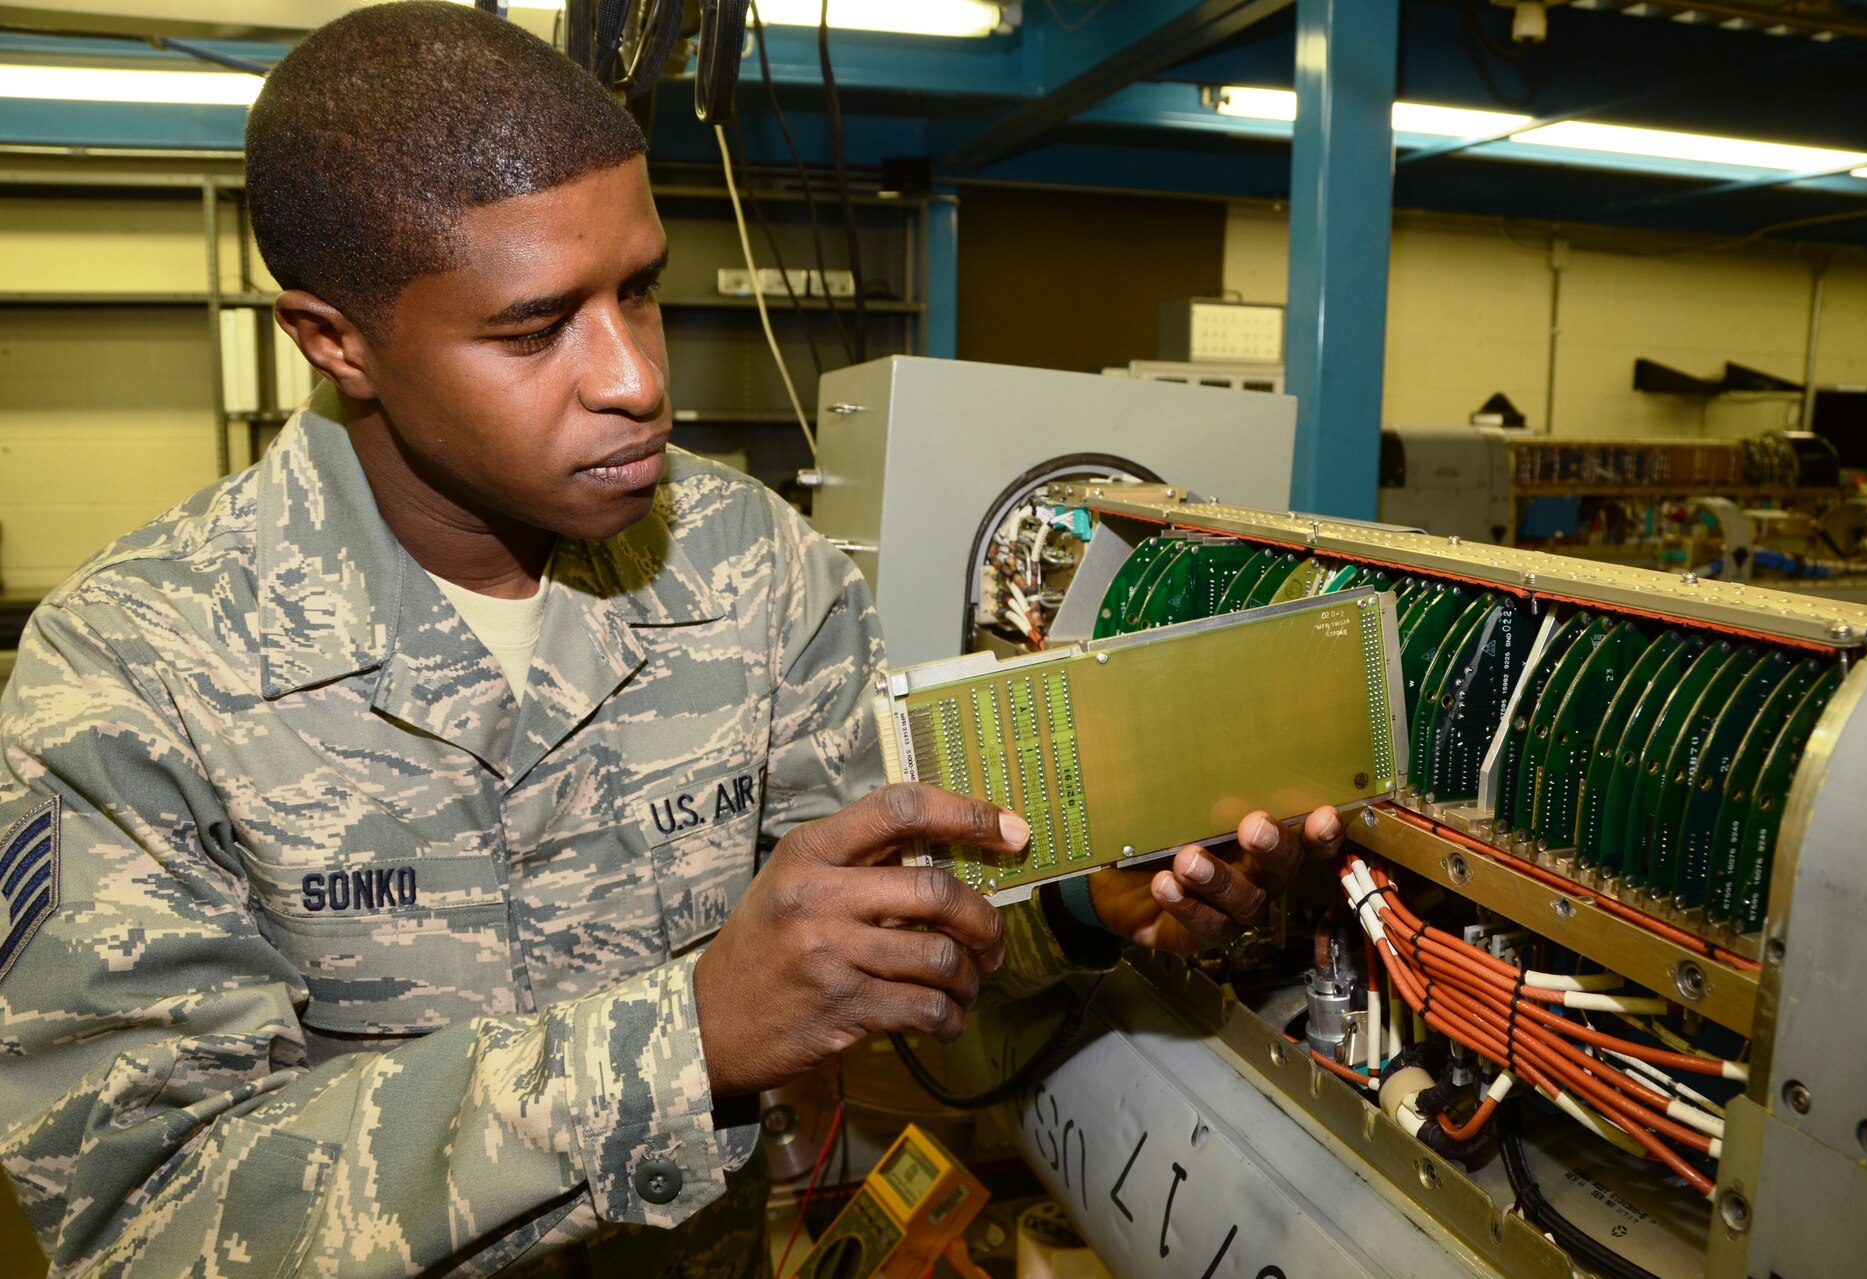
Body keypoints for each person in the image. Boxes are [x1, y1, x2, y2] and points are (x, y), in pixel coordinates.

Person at [0, 5, 1343, 1275]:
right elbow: (148, 1218)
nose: (638, 377)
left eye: (638, 291)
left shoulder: (753, 570)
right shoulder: (132, 674)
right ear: (335, 341)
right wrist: (687, 1039)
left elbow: (883, 950)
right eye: (533, 329)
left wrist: (1074, 910)